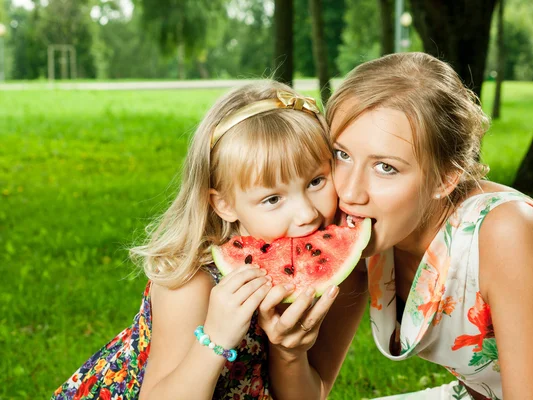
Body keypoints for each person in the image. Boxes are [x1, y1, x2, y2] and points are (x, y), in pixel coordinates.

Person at [51, 81, 367, 400]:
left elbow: (313, 395)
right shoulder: (192, 282)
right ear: (224, 204)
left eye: (316, 181)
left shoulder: (346, 272)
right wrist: (216, 338)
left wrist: (289, 353)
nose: (306, 214)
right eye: (272, 199)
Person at [325, 52, 533, 399]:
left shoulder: (511, 232)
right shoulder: (365, 229)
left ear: (445, 179)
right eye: (341, 154)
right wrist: (289, 351)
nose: (349, 191)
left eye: (386, 168)